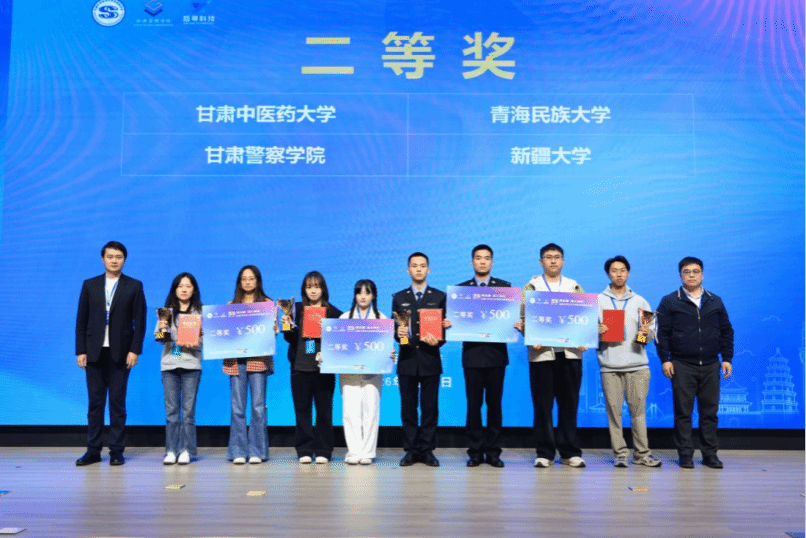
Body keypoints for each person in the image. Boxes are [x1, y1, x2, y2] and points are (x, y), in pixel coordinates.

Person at [656, 256, 734, 469]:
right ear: (680, 276)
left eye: (696, 271)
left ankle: (710, 455)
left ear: (702, 275)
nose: (691, 275)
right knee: (683, 414)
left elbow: (726, 331)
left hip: (711, 365)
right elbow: (662, 334)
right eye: (687, 272)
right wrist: (665, 359)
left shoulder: (714, 300)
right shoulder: (670, 301)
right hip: (681, 365)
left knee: (709, 414)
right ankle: (685, 455)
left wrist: (727, 358)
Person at [75, 241, 146, 466]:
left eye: (118, 257)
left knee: (117, 403)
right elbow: (81, 319)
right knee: (95, 404)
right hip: (94, 353)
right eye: (110, 256)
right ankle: (93, 451)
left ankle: (116, 451)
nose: (114, 260)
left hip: (121, 354)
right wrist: (80, 350)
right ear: (102, 259)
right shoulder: (90, 284)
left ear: (124, 259)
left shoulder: (134, 285)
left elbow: (140, 322)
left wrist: (134, 350)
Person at [517, 243, 587, 468]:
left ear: (563, 261)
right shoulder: (531, 287)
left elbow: (583, 317)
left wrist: (584, 337)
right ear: (541, 262)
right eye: (548, 257)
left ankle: (569, 452)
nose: (553, 261)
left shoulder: (573, 286)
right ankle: (545, 452)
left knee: (569, 405)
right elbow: (522, 319)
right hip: (541, 355)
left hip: (570, 355)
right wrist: (528, 333)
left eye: (557, 257)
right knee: (542, 406)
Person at [596, 256, 661, 468]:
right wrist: (597, 332)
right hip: (610, 367)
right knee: (614, 414)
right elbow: (587, 335)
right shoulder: (598, 301)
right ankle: (620, 454)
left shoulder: (640, 301)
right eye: (614, 270)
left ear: (628, 273)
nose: (619, 274)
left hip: (638, 366)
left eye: (622, 270)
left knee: (638, 413)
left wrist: (645, 332)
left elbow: (648, 337)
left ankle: (642, 454)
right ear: (608, 274)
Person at [392, 252, 449, 467]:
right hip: (407, 360)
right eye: (414, 266)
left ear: (428, 270)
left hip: (430, 359)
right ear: (408, 270)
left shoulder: (439, 297)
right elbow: (397, 331)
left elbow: (444, 331)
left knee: (429, 409)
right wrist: (398, 334)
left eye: (422, 265)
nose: (418, 269)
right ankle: (410, 450)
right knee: (408, 409)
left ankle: (427, 450)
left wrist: (439, 340)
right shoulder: (399, 298)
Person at [456, 244, 510, 468]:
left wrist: (515, 324)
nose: (482, 262)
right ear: (472, 262)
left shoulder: (504, 288)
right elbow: (456, 321)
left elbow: (508, 319)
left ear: (492, 262)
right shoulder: (461, 290)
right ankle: (475, 452)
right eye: (478, 258)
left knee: (495, 405)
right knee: (474, 405)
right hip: (472, 355)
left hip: (496, 356)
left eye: (486, 258)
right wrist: (450, 323)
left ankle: (494, 452)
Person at [282, 271, 342, 464]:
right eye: (309, 287)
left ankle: (324, 450)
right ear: (304, 290)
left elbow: (340, 340)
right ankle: (304, 449)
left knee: (324, 411)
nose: (313, 291)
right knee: (302, 411)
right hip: (300, 367)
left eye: (317, 286)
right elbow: (289, 338)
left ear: (323, 289)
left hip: (323, 369)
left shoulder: (334, 312)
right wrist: (286, 326)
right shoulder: (296, 309)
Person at [223, 265, 274, 465]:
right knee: (237, 408)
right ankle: (238, 451)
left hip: (258, 360)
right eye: (244, 278)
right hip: (236, 362)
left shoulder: (267, 304)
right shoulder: (231, 305)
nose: (247, 282)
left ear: (257, 281)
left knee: (258, 407)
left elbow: (272, 333)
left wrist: (274, 328)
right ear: (239, 282)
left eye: (251, 278)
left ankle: (256, 451)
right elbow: (224, 334)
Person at [339, 279, 387, 465]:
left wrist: (389, 353)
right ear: (355, 295)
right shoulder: (344, 318)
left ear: (373, 295)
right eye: (359, 292)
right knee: (350, 413)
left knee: (371, 412)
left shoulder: (381, 319)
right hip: (349, 374)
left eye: (367, 292)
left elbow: (387, 346)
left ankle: (367, 452)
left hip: (372, 373)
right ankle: (354, 452)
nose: (363, 296)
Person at [157, 273, 203, 465]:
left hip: (191, 365)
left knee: (188, 411)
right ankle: (171, 450)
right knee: (172, 411)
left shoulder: (199, 313)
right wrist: (162, 329)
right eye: (180, 286)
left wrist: (194, 342)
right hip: (169, 365)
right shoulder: (166, 312)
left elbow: (205, 342)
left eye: (188, 286)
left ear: (194, 290)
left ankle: (186, 450)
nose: (184, 289)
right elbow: (160, 339)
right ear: (175, 289)